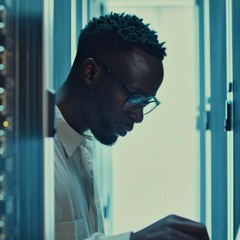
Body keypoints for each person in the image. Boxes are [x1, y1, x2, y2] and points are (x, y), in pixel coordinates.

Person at [54, 12, 209, 240]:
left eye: (146, 103)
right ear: (90, 73)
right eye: (135, 98)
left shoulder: (81, 145)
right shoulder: (34, 156)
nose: (139, 116)